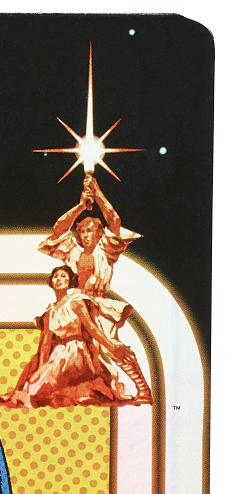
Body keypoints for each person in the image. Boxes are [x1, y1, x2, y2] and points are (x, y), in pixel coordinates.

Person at [38, 173, 151, 403]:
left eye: (90, 230)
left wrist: (97, 192)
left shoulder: (105, 251)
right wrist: (81, 205)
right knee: (70, 350)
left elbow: (114, 220)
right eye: (82, 231)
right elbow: (59, 229)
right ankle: (82, 392)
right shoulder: (72, 253)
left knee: (110, 346)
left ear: (99, 234)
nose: (85, 235)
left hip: (96, 306)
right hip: (74, 305)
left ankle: (142, 388)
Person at [3, 265, 129, 408]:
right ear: (51, 282)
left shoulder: (76, 302)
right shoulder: (50, 310)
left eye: (63, 276)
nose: (59, 279)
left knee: (49, 385)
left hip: (77, 351)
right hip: (58, 353)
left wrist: (111, 346)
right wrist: (41, 368)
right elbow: (45, 343)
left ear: (70, 282)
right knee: (36, 386)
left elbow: (91, 328)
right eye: (55, 276)